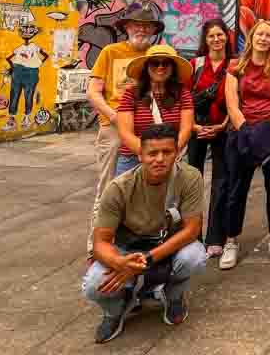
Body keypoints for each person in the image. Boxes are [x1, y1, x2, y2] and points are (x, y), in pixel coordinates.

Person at [83, 124, 207, 343]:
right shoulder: (118, 188)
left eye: (167, 152)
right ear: (140, 155)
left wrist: (148, 259)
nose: (159, 159)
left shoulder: (190, 177)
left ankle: (174, 296)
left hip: (166, 244)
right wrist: (120, 263)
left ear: (177, 154)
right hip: (128, 247)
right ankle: (115, 311)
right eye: (152, 153)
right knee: (93, 285)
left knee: (195, 257)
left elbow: (192, 230)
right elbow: (100, 242)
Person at [85, 2, 164, 253]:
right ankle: (96, 245)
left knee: (145, 189)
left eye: (146, 25)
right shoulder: (111, 52)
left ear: (152, 30)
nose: (141, 29)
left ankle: (134, 243)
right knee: (109, 187)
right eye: (136, 25)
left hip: (146, 129)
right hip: (113, 127)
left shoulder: (156, 56)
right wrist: (113, 115)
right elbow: (93, 92)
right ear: (127, 27)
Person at [220, 19, 270, 270]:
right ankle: (231, 239)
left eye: (268, 36)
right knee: (236, 190)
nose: (263, 39)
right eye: (260, 34)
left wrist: (263, 130)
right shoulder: (235, 67)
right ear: (251, 37)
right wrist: (245, 130)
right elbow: (232, 103)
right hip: (241, 132)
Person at [114, 44, 195, 176]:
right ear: (146, 67)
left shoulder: (182, 93)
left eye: (166, 63)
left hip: (171, 158)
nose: (160, 67)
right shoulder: (131, 93)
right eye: (154, 63)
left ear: (172, 68)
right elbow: (125, 133)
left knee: (170, 196)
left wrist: (168, 155)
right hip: (134, 158)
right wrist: (148, 154)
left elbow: (186, 128)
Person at [188, 20, 232, 257]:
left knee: (221, 182)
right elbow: (184, 99)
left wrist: (222, 125)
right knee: (193, 181)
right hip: (197, 129)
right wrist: (194, 127)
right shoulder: (195, 65)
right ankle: (193, 235)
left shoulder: (233, 65)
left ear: (227, 37)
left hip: (222, 130)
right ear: (205, 40)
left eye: (220, 34)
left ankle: (216, 237)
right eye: (212, 36)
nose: (217, 39)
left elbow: (237, 100)